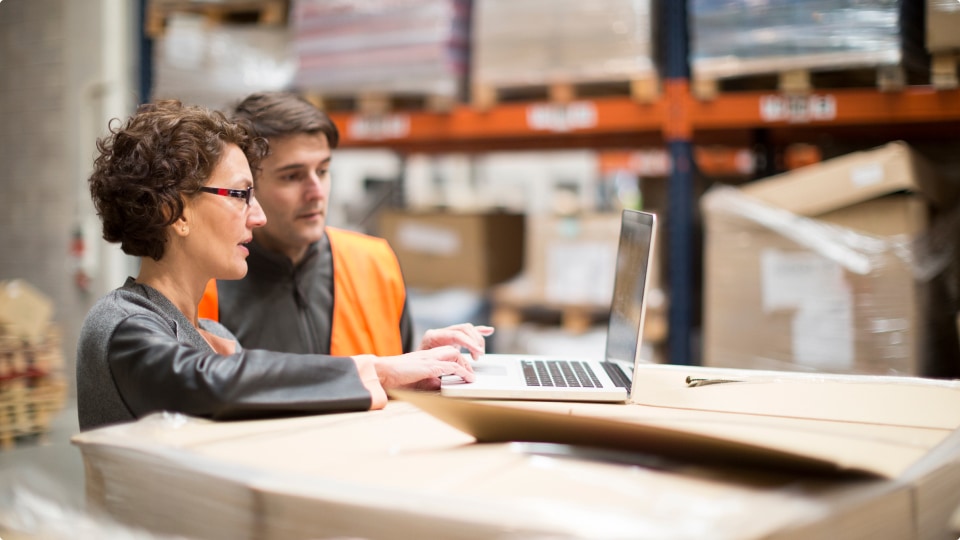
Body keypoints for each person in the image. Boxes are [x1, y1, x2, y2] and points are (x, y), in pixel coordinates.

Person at [76, 100, 476, 432]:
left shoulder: (213, 333)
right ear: (174, 211)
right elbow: (208, 383)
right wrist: (378, 370)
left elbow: (276, 408)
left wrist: (409, 376)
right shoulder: (122, 325)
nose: (258, 216)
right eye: (240, 195)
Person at [197, 91, 493, 358]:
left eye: (323, 171)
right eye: (292, 176)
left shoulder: (374, 263)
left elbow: (393, 386)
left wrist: (419, 362)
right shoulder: (206, 286)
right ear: (248, 186)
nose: (316, 192)